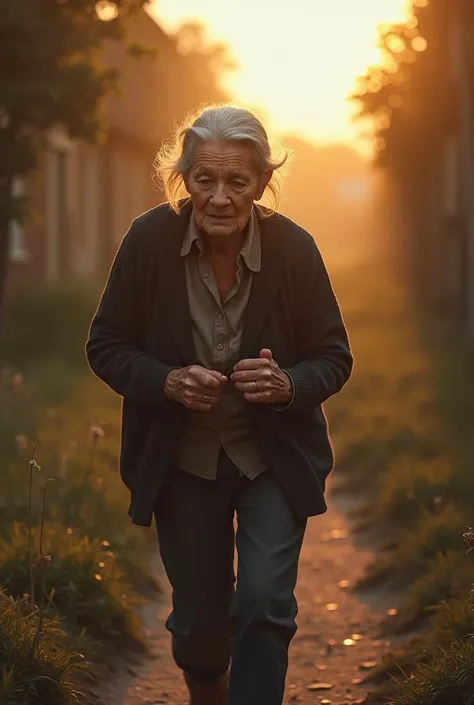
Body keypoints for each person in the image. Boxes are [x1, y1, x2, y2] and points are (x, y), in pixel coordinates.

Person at [86, 104, 353, 705]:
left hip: (273, 461)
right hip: (183, 464)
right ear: (184, 180)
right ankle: (209, 685)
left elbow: (333, 356)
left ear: (262, 182)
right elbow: (105, 345)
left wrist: (289, 384)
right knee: (200, 625)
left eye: (237, 181)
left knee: (264, 602)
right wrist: (166, 381)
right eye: (204, 179)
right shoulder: (148, 240)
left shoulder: (295, 249)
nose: (221, 197)